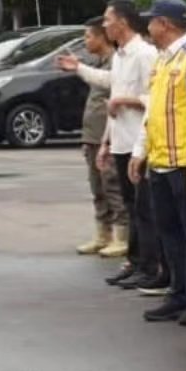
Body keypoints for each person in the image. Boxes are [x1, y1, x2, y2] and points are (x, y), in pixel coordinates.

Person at [130, 0, 186, 326]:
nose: (148, 27)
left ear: (165, 24)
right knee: (169, 233)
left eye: (151, 21)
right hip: (161, 162)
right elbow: (153, 110)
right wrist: (140, 151)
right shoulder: (163, 60)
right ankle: (177, 293)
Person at [66, 19, 127, 257]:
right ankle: (103, 234)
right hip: (93, 136)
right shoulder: (99, 62)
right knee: (97, 188)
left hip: (108, 136)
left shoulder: (116, 62)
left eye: (89, 36)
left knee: (112, 186)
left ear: (102, 37)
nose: (85, 41)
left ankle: (122, 236)